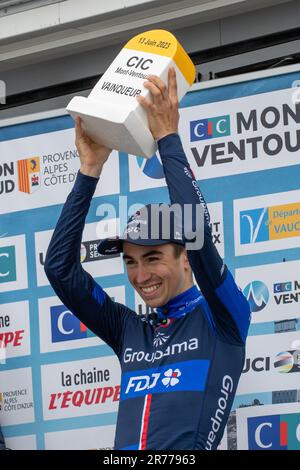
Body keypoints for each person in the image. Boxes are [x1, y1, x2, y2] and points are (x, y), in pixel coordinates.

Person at [45, 67, 251, 450]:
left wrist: (168, 138)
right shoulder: (130, 329)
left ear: (186, 256)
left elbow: (197, 231)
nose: (140, 276)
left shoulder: (223, 317)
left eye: (152, 257)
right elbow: (59, 268)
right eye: (130, 261)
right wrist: (90, 170)